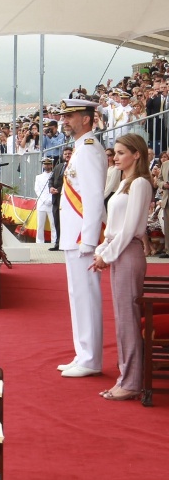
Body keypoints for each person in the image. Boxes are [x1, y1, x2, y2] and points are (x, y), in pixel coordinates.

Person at [90, 134, 152, 400]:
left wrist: (107, 255)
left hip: (128, 252)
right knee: (122, 319)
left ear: (136, 154)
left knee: (128, 319)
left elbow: (130, 228)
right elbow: (114, 228)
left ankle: (131, 382)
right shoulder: (124, 182)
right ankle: (126, 377)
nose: (115, 157)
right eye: (114, 152)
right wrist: (102, 251)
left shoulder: (140, 183)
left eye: (121, 152)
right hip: (120, 252)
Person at [56, 99, 107, 378]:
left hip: (81, 238)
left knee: (86, 296)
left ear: (86, 119)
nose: (64, 120)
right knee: (78, 296)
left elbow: (93, 197)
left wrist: (88, 240)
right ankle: (83, 353)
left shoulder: (88, 149)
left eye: (70, 116)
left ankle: (90, 359)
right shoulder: (80, 148)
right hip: (74, 236)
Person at [34, 157, 55, 244]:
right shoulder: (38, 177)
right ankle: (39, 242)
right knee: (40, 225)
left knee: (53, 224)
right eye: (45, 164)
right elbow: (37, 190)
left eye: (48, 164)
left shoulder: (54, 175)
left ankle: (54, 242)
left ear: (51, 165)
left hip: (51, 202)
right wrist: (44, 200)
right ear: (43, 165)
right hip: (42, 203)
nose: (46, 166)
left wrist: (50, 199)